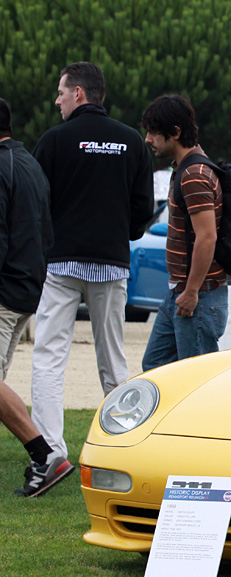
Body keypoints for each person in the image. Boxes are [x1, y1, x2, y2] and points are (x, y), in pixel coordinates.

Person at [31, 62, 153, 463]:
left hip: (62, 263)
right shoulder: (131, 141)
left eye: (61, 92)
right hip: (111, 264)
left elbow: (37, 204)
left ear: (79, 93)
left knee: (49, 358)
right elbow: (142, 210)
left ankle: (50, 454)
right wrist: (120, 234)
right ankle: (124, 450)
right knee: (114, 362)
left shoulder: (54, 141)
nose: (57, 100)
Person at [0, 99, 74, 498]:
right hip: (27, 288)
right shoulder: (29, 162)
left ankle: (44, 455)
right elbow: (46, 231)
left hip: (6, 290)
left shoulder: (3, 166)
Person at [140, 94, 227, 371]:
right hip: (180, 292)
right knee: (155, 367)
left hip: (198, 296)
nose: (148, 139)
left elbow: (207, 237)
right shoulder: (186, 168)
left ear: (175, 132)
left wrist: (191, 292)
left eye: (154, 132)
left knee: (195, 381)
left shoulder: (195, 175)